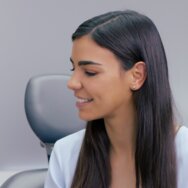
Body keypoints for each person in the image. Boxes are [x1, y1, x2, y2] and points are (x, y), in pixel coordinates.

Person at [44, 10, 188, 188]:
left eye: (90, 72)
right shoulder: (65, 154)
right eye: (74, 69)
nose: (72, 83)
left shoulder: (185, 153)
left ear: (137, 76)